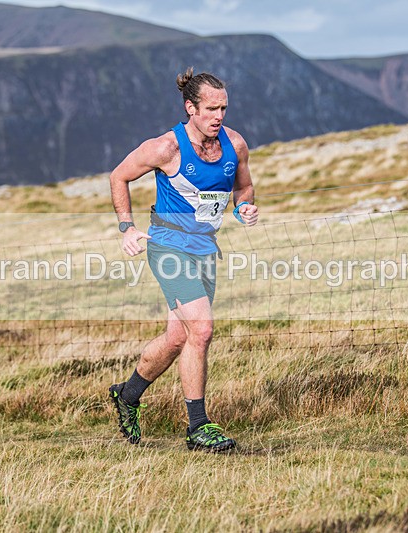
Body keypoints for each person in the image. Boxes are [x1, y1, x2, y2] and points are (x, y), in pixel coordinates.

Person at [108, 67, 259, 452]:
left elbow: (243, 187)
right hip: (168, 248)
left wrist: (245, 208)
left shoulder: (235, 144)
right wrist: (127, 227)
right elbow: (118, 176)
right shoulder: (166, 148)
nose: (219, 116)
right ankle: (198, 427)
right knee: (203, 330)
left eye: (223, 108)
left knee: (178, 338)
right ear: (191, 107)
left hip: (206, 250)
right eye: (210, 109)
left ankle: (127, 394)